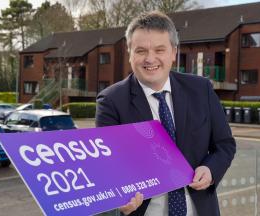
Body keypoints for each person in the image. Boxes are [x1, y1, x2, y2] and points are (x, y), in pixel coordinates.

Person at [95, 11, 236, 216]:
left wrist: (210, 170)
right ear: (130, 53)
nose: (150, 59)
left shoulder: (201, 89)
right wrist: (119, 202)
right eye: (141, 50)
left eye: (159, 49)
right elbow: (109, 167)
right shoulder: (111, 102)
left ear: (173, 53)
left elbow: (225, 145)